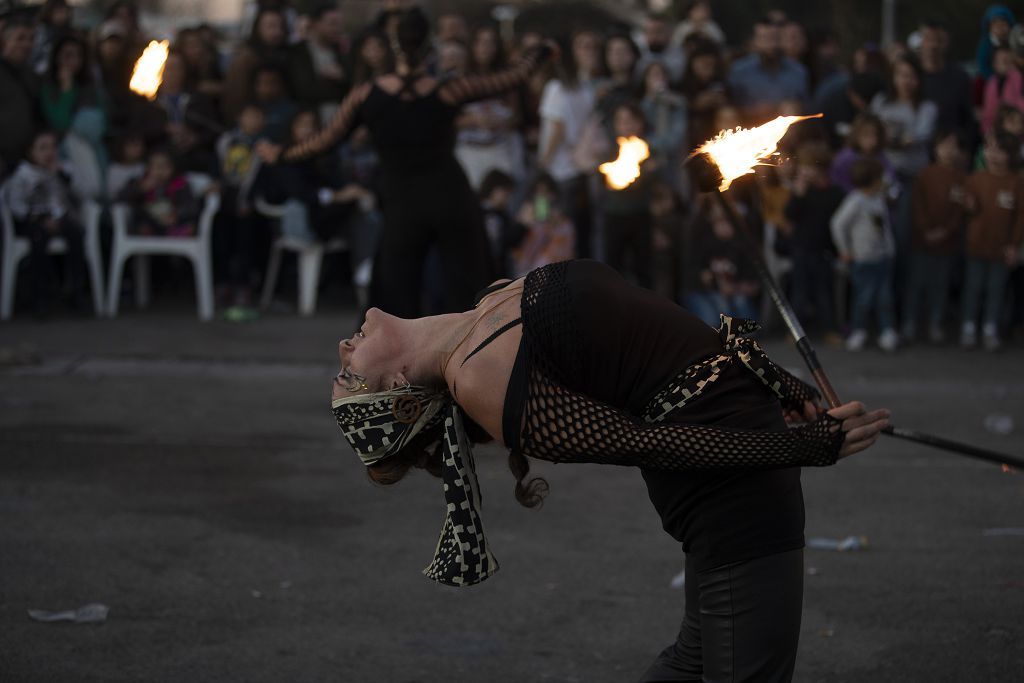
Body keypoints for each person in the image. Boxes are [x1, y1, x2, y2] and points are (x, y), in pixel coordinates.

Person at [329, 258, 889, 680]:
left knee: (696, 660)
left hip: (737, 443)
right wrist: (802, 448)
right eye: (348, 374)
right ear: (397, 391)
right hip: (729, 486)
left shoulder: (485, 306)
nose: (341, 347)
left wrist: (769, 378)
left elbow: (650, 330)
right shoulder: (481, 381)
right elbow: (652, 444)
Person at [259, 8, 556, 317]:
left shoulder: (367, 95)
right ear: (429, 46)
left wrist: (279, 154)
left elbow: (323, 140)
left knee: (393, 297)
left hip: (403, 202)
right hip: (450, 198)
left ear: (392, 46)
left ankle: (397, 362)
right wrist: (541, 52)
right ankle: (470, 358)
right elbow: (511, 77)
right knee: (471, 291)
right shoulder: (449, 90)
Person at [4, 129, 85, 315]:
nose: (49, 153)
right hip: (34, 221)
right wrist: (39, 219)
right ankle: (39, 297)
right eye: (43, 148)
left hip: (61, 218)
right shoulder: (22, 175)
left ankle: (76, 291)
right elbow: (15, 205)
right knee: (38, 239)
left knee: (77, 234)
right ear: (31, 152)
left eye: (53, 147)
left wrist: (63, 177)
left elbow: (80, 197)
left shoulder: (62, 171)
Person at [537, 29, 600, 259]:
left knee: (554, 232)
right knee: (580, 237)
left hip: (558, 173)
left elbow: (556, 128)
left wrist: (542, 166)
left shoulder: (556, 88)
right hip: (580, 172)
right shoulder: (586, 89)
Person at [961, 133, 1024, 350]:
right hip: (976, 246)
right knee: (973, 287)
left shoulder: (1016, 182)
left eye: (1001, 150)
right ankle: (968, 326)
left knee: (996, 290)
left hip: (1001, 248)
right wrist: (968, 205)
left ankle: (990, 328)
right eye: (990, 149)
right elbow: (967, 211)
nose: (994, 155)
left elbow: (1020, 217)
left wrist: (1014, 245)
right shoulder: (975, 179)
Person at [904, 130, 967, 344]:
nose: (949, 151)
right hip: (922, 241)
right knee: (916, 285)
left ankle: (935, 323)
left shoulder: (961, 178)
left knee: (940, 286)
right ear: (935, 149)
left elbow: (959, 210)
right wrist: (925, 230)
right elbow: (917, 206)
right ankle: (909, 323)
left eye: (953, 146)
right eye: (944, 145)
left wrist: (946, 231)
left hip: (946, 243)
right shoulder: (925, 175)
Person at [830, 157, 899, 352]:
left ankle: (887, 330)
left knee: (884, 297)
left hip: (883, 257)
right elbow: (838, 224)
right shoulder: (855, 201)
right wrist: (845, 250)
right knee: (863, 298)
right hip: (863, 259)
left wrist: (890, 249)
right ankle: (858, 330)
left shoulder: (878, 198)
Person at [784, 142, 845, 337]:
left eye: (808, 166)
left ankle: (829, 329)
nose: (803, 171)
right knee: (799, 291)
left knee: (823, 291)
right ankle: (795, 332)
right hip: (801, 248)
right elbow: (790, 215)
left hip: (823, 249)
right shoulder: (801, 191)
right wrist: (798, 195)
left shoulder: (835, 193)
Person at [601, 102, 655, 288]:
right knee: (613, 268)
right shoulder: (608, 149)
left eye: (631, 120)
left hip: (641, 214)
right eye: (622, 121)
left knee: (644, 268)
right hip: (614, 215)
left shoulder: (646, 149)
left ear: (640, 122)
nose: (627, 125)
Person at [684, 197, 761, 327]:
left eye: (727, 221)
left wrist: (738, 286)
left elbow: (752, 275)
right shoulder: (702, 243)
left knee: (740, 303)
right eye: (719, 221)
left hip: (736, 291)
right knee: (717, 312)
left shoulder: (741, 244)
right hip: (706, 292)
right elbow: (695, 273)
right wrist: (714, 282)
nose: (723, 226)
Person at [727, 16, 808, 120]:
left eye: (774, 38)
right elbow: (730, 109)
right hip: (749, 128)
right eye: (764, 39)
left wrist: (794, 108)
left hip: (787, 128)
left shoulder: (798, 72)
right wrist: (753, 110)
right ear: (755, 41)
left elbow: (806, 107)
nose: (770, 45)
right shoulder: (739, 71)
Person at [117, 147, 199, 237]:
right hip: (148, 224)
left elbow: (191, 206)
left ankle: (176, 233)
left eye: (165, 166)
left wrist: (176, 214)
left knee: (190, 222)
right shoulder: (139, 182)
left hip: (172, 222)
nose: (160, 171)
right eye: (156, 166)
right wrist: (140, 189)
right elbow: (120, 198)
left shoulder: (180, 185)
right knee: (139, 216)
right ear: (148, 168)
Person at [510, 173, 574, 277]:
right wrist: (522, 225)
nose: (542, 196)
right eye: (538, 192)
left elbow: (566, 252)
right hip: (526, 274)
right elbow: (514, 247)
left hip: (554, 275)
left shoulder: (563, 222)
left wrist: (555, 224)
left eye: (546, 192)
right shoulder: (525, 216)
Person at [0, 15, 39, 175]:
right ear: (6, 40)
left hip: (26, 161)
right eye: (20, 38)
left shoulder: (32, 76)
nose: (26, 44)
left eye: (31, 39)